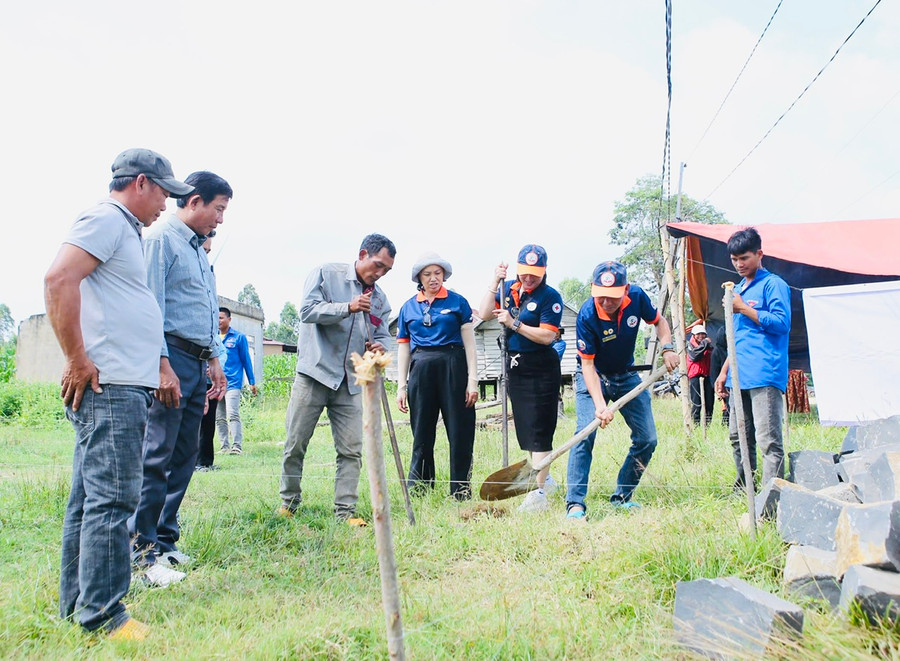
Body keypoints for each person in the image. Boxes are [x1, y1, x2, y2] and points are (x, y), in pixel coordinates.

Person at [45, 148, 193, 640]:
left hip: (120, 383)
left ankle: (77, 605)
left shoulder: (125, 230)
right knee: (112, 502)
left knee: (90, 501)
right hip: (110, 385)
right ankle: (105, 615)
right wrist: (76, 358)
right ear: (141, 183)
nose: (166, 205)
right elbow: (59, 278)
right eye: (164, 194)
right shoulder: (107, 219)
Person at [128, 171, 232, 581]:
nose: (220, 219)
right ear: (193, 201)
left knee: (185, 455)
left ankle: (165, 540)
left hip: (196, 362)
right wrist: (160, 364)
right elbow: (149, 306)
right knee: (157, 455)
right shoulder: (160, 240)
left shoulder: (197, 249)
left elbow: (203, 311)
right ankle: (142, 552)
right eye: (218, 209)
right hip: (169, 359)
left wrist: (214, 359)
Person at [279, 234, 395, 524]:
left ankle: (345, 512)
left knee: (351, 450)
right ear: (363, 254)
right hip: (314, 374)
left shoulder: (380, 300)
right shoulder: (326, 274)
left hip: (351, 382)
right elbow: (307, 311)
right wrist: (348, 307)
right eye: (378, 265)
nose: (380, 274)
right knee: (295, 443)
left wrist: (381, 347)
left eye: (386, 270)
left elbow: (384, 335)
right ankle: (288, 503)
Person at [565, 261, 680, 519]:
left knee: (647, 438)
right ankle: (575, 504)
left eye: (613, 297)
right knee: (584, 434)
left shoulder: (637, 297)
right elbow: (587, 365)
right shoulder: (587, 315)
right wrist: (600, 406)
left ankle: (622, 497)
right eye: (601, 296)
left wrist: (668, 347)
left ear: (625, 290)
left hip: (626, 375)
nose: (606, 302)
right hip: (593, 375)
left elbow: (659, 321)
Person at [477, 244, 564, 513]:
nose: (528, 278)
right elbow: (482, 313)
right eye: (524, 272)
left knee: (540, 431)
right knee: (526, 430)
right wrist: (495, 281)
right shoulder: (509, 290)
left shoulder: (550, 297)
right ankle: (545, 478)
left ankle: (538, 492)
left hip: (541, 368)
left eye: (534, 274)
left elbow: (548, 336)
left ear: (544, 272)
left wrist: (514, 324)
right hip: (516, 367)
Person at [396, 253, 478, 499]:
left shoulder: (458, 302)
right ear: (419, 278)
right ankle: (420, 488)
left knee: (460, 429)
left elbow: (470, 344)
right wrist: (401, 386)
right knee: (421, 430)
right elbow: (403, 348)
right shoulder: (408, 307)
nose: (433, 278)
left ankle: (460, 490)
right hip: (421, 368)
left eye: (438, 273)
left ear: (444, 275)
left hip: (453, 365)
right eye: (428, 274)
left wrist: (472, 380)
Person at [714, 227, 791, 490]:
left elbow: (781, 323)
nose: (739, 264)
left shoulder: (773, 285)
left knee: (769, 440)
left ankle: (772, 499)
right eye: (734, 259)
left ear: (759, 254)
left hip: (764, 372)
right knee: (739, 437)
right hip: (738, 375)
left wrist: (743, 308)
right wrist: (724, 372)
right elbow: (737, 336)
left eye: (744, 258)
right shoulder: (738, 290)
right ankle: (744, 491)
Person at [216, 306, 258, 455]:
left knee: (232, 414)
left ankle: (236, 446)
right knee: (219, 417)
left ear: (229, 319)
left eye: (221, 318)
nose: (218, 320)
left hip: (233, 383)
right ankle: (224, 446)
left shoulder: (239, 337)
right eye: (216, 317)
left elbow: (246, 360)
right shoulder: (213, 337)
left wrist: (252, 382)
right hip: (216, 383)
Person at [196, 234, 220, 472]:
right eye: (201, 250)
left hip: (208, 376)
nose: (204, 257)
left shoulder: (208, 278)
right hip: (180, 367)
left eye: (207, 253)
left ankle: (205, 461)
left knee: (208, 421)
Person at [686, 323, 714, 425]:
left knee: (709, 402)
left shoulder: (708, 346)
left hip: (707, 376)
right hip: (695, 376)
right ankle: (696, 424)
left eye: (703, 334)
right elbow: (695, 356)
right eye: (698, 334)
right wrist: (705, 343)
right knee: (696, 402)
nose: (701, 336)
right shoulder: (690, 346)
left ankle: (707, 425)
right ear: (693, 335)